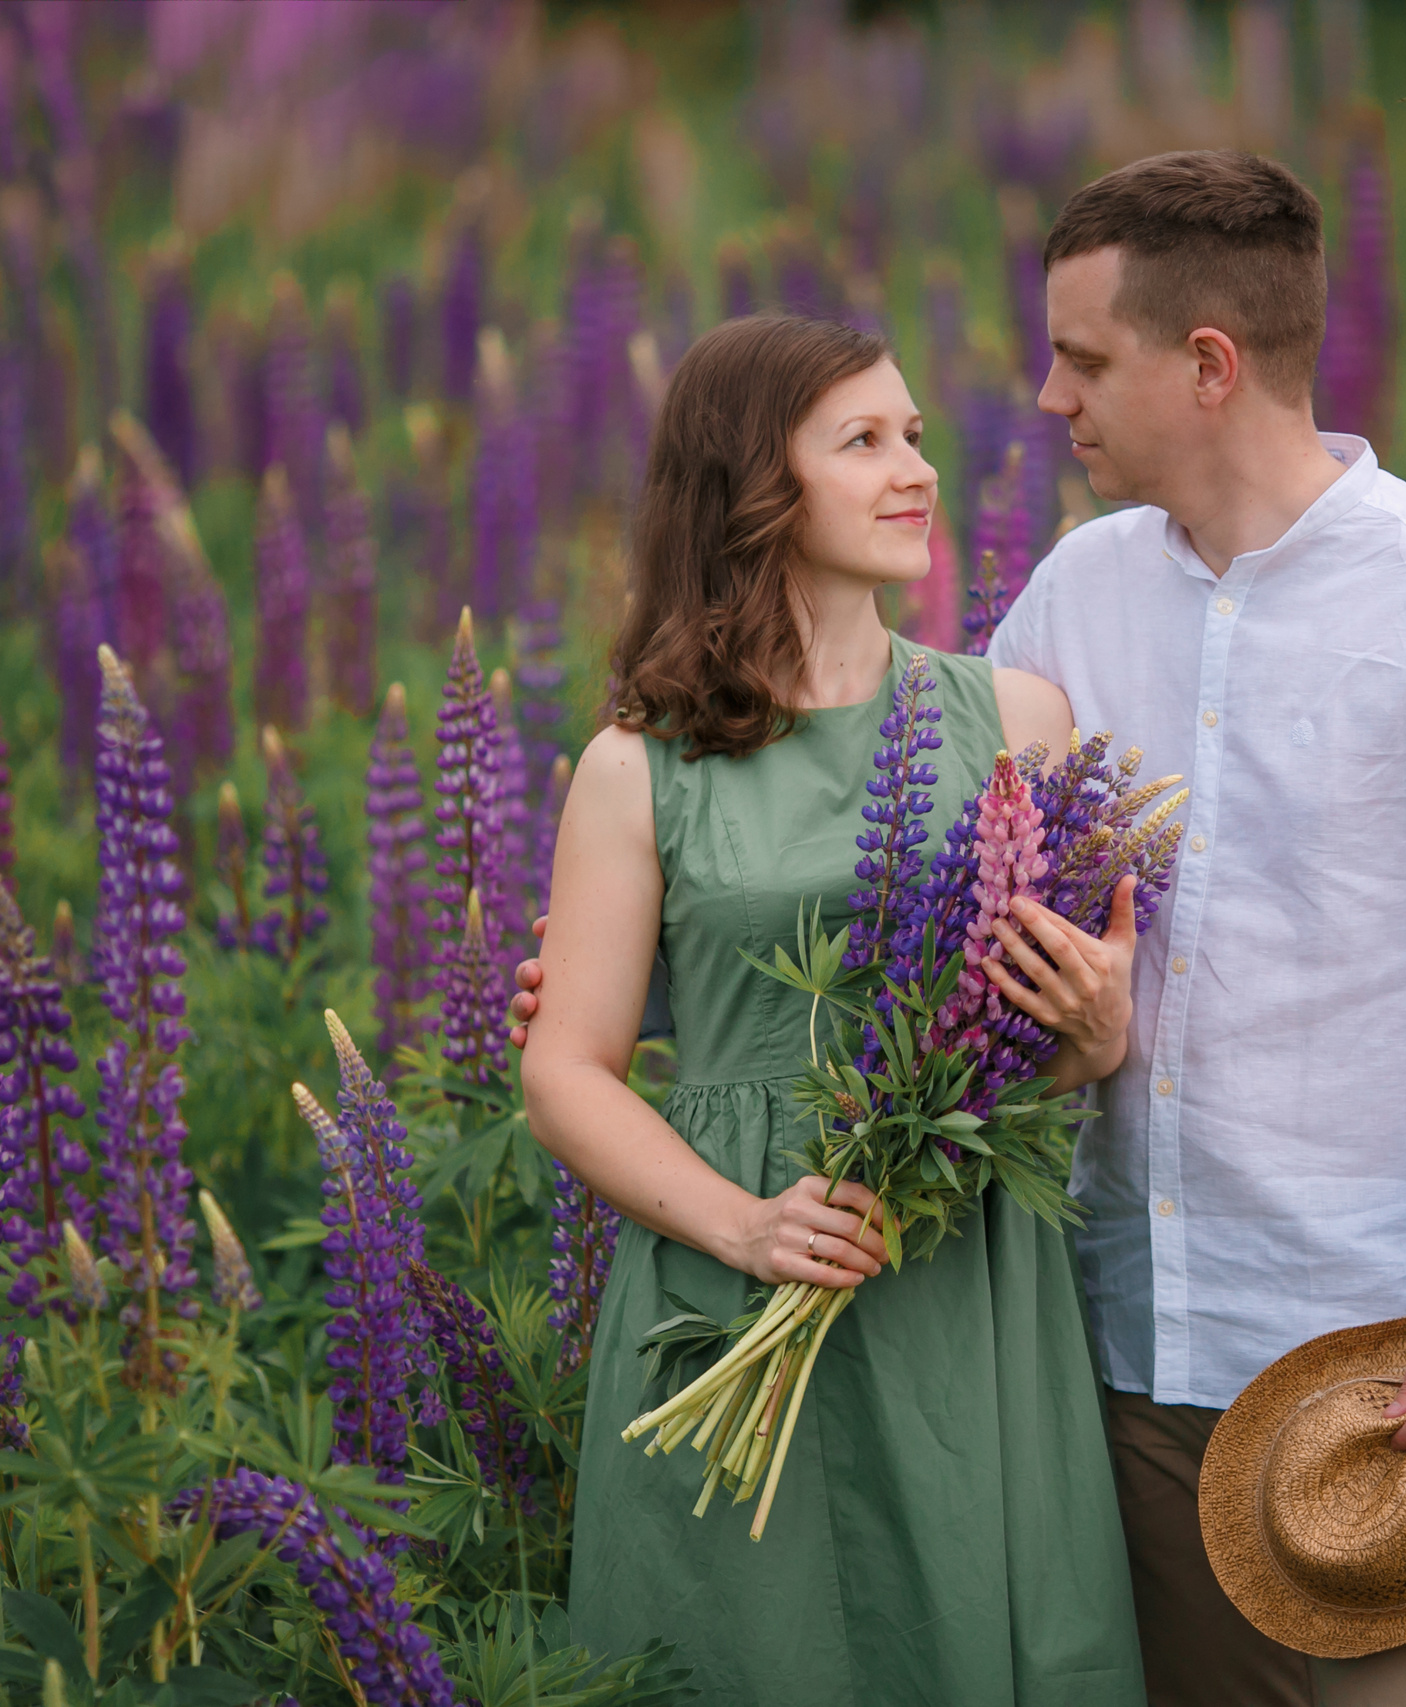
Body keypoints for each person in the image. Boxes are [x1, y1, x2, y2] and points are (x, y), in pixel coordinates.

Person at [517, 152, 1406, 1705]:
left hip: (1369, 1371)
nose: (1043, 399)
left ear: (1208, 364)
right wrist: (641, 970)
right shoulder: (1069, 606)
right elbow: (911, 887)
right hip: (1095, 1360)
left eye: (1084, 358)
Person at [519, 313, 1150, 1707]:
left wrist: (1095, 1039)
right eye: (862, 441)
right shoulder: (639, 765)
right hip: (729, 1265)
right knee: (753, 1652)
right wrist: (745, 1225)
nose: (913, 468)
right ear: (753, 486)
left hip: (953, 1279)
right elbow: (566, 1070)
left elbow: (1024, 1043)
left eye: (914, 436)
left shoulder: (1019, 720)